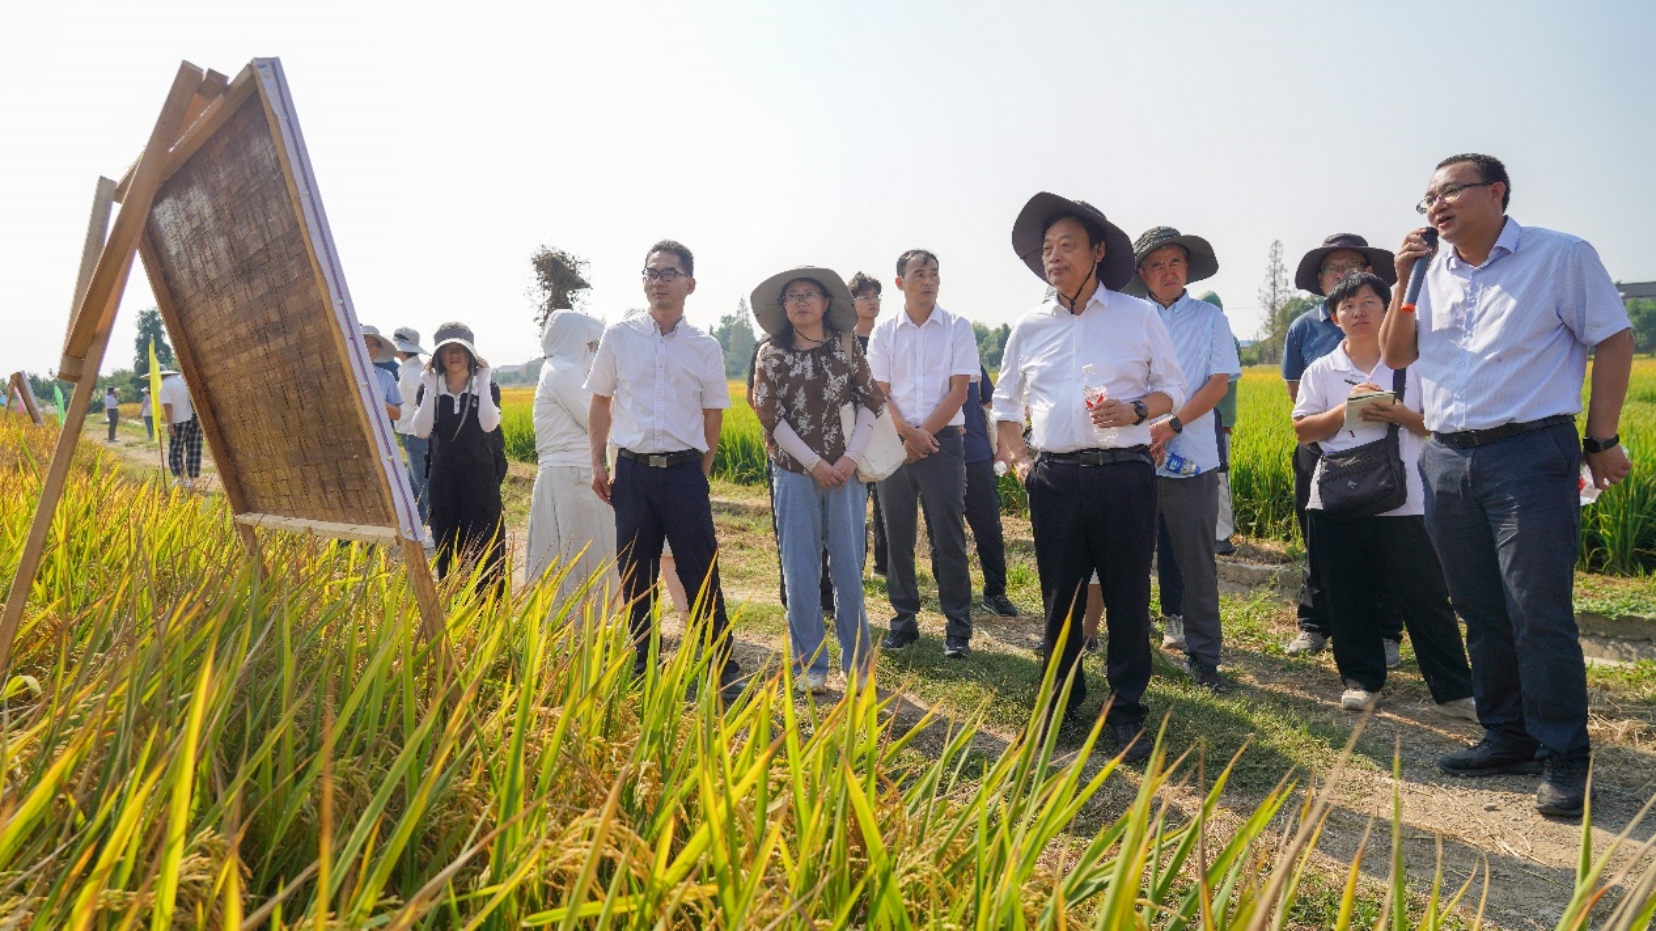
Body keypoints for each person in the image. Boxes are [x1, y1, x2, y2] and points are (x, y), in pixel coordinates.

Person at [1380, 153, 1635, 819]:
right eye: (1428, 198)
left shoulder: (1560, 256)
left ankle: (1564, 756)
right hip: (1447, 456)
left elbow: (1614, 339)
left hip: (1529, 452)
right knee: (1479, 606)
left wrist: (1602, 438)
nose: (1436, 205)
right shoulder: (1428, 272)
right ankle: (1508, 735)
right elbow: (1397, 354)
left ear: (1496, 192)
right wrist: (1403, 277)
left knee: (1536, 608)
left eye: (1450, 191)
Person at [994, 193, 1186, 761]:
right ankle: (1059, 702)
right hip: (1054, 479)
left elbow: (1172, 389)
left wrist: (1136, 411)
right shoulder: (1028, 326)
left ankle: (1126, 710)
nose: (1054, 256)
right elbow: (1005, 406)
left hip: (1124, 475)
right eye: (1047, 248)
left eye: (1067, 245)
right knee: (1061, 599)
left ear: (1098, 252)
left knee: (1127, 595)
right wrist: (1023, 464)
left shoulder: (1137, 315)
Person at [1292, 272, 1476, 717]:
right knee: (1347, 593)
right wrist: (1345, 409)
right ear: (1334, 317)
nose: (1358, 312)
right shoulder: (1322, 370)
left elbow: (1437, 424)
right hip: (1337, 498)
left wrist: (1398, 413)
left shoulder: (1413, 366)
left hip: (1407, 496)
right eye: (1347, 306)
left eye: (1368, 302)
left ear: (1388, 310)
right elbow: (1303, 430)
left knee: (1425, 596)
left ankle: (1454, 691)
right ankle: (1361, 681)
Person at [586, 240, 743, 696]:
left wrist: (699, 473)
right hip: (632, 473)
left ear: (690, 284)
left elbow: (713, 415)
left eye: (669, 273)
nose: (659, 281)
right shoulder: (620, 336)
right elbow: (600, 401)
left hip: (684, 472)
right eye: (652, 273)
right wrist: (597, 463)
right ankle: (643, 660)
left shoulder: (705, 347)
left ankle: (720, 663)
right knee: (635, 570)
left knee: (700, 567)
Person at [750, 267, 885, 693]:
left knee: (848, 568)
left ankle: (857, 665)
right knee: (799, 569)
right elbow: (770, 415)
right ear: (783, 307)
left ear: (827, 303)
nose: (801, 301)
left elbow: (870, 402)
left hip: (846, 472)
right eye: (792, 296)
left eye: (809, 294)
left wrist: (849, 459)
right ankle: (810, 664)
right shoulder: (771, 353)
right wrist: (814, 463)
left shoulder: (846, 345)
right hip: (793, 473)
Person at [1124, 227, 1241, 691]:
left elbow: (1218, 383)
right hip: (1134, 456)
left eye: (1174, 262)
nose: (1167, 271)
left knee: (1196, 563)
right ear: (1142, 274)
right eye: (1156, 265)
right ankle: (1132, 646)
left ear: (1187, 268)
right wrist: (1144, 429)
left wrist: (1171, 425)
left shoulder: (1210, 318)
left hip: (1193, 456)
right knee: (1129, 559)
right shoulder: (1130, 318)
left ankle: (1204, 657)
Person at [1281, 234, 1405, 667]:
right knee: (1320, 541)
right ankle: (1315, 623)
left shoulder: (1392, 323)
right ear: (1320, 280)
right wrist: (1337, 415)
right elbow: (1296, 393)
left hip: (1385, 447)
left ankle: (1386, 630)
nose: (1343, 274)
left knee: (1386, 540)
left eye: (1353, 266)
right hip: (1321, 447)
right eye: (1333, 268)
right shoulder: (1303, 326)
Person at [866, 249, 980, 658]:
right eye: (919, 274)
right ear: (900, 282)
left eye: (933, 273)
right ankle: (904, 621)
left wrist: (922, 437)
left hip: (942, 443)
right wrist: (907, 436)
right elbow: (880, 394)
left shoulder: (957, 327)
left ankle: (958, 627)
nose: (928, 281)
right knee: (896, 535)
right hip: (893, 441)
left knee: (947, 536)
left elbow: (959, 392)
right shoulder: (884, 333)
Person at [527, 311, 617, 614]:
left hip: (565, 473)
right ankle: (584, 621)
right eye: (588, 343)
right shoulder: (564, 372)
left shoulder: (556, 369)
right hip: (573, 475)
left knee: (568, 548)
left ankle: (572, 619)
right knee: (583, 549)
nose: (591, 349)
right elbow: (595, 419)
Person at [412, 322, 506, 595]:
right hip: (444, 480)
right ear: (438, 355)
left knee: (487, 545)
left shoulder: (486, 387)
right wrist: (430, 388)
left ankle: (489, 607)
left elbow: (489, 424)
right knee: (447, 545)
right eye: (447, 349)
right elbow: (421, 430)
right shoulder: (430, 389)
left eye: (460, 349)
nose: (454, 355)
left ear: (471, 353)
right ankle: (454, 607)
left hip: (481, 478)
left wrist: (484, 382)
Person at [963, 364, 1021, 617]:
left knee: (989, 528)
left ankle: (996, 592)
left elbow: (991, 405)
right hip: (937, 457)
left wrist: (1002, 448)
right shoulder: (922, 358)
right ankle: (954, 594)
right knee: (942, 532)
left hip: (977, 455)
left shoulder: (971, 361)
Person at [849, 271, 889, 577]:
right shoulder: (844, 341)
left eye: (876, 296)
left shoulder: (886, 338)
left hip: (885, 426)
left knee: (886, 498)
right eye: (865, 297)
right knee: (855, 499)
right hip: (852, 428)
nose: (872, 302)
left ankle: (883, 565)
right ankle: (855, 562)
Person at [1199, 291, 1240, 554]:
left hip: (1217, 418)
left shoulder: (1223, 339)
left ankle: (1222, 534)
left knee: (1218, 476)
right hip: (1200, 419)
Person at [392, 327, 432, 526]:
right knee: (413, 489)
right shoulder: (411, 370)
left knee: (423, 487)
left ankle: (437, 530)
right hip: (411, 436)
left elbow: (421, 407)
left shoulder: (413, 373)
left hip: (415, 435)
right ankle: (416, 528)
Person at [159, 369, 201, 489]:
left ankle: (181, 480)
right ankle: (191, 482)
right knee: (194, 450)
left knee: (175, 451)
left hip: (179, 420)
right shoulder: (183, 380)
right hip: (195, 418)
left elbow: (168, 406)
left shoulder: (164, 385)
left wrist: (170, 425)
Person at [360, 325, 404, 426]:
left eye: (373, 345)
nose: (368, 349)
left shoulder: (386, 376)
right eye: (364, 343)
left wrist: (375, 400)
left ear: (378, 350)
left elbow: (397, 414)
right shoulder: (341, 372)